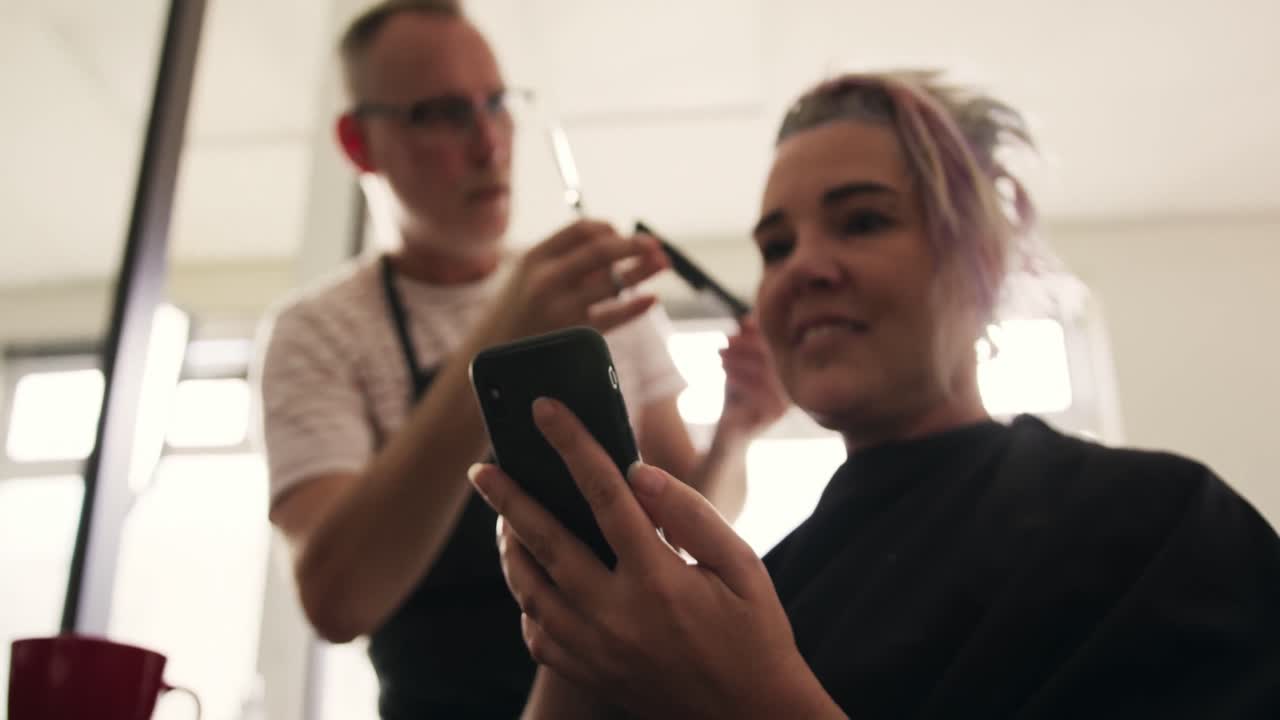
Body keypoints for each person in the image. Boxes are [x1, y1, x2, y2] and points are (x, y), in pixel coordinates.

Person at [469, 70, 1280, 719]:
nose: (801, 269)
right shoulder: (763, 599)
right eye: (776, 246)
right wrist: (585, 619)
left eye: (862, 222)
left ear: (980, 262)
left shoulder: (1156, 524)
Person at [255, 1, 788, 717]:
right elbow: (336, 597)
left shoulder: (599, 299)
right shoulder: (319, 332)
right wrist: (496, 340)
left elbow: (683, 512)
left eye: (498, 104)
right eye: (443, 113)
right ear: (360, 143)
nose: (490, 143)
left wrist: (736, 430)